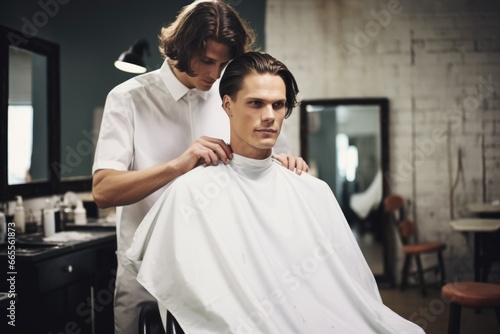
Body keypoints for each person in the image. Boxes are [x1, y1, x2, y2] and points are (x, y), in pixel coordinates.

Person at [126, 52, 425, 333]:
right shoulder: (191, 191)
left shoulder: (311, 189)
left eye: (278, 105)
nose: (269, 116)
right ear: (228, 105)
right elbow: (182, 295)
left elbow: (348, 288)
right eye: (256, 103)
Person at [91, 1, 307, 333]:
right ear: (182, 47)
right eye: (206, 60)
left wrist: (286, 163)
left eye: (224, 63)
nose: (214, 73)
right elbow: (103, 190)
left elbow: (271, 165)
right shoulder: (129, 99)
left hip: (224, 274)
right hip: (147, 274)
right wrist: (178, 165)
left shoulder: (236, 98)